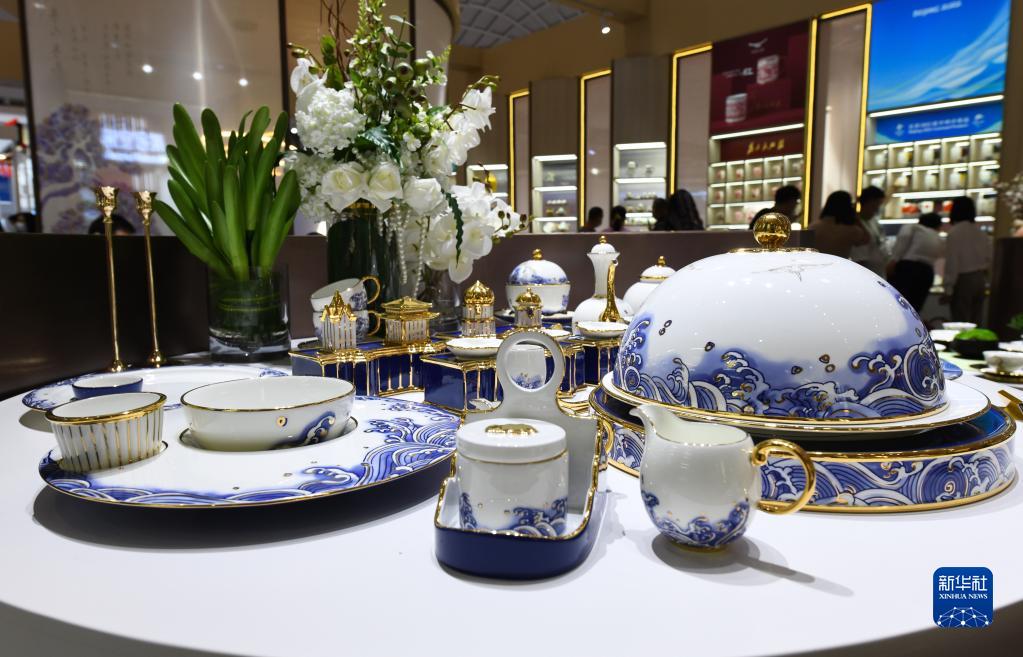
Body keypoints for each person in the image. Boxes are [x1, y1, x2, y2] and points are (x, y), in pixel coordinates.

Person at [942, 197, 991, 324]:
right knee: (976, 319)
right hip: (980, 279)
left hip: (963, 280)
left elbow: (952, 263)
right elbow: (989, 258)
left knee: (960, 321)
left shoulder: (954, 232)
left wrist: (948, 289)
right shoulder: (981, 233)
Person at [886, 212, 944, 312]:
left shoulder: (913, 227)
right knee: (915, 308)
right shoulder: (938, 238)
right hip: (927, 273)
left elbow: (901, 244)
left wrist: (893, 260)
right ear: (938, 226)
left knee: (898, 304)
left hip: (908, 269)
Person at [809, 191, 869, 258]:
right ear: (848, 207)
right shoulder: (852, 231)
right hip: (839, 264)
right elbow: (866, 239)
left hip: (817, 263)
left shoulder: (814, 226)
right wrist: (855, 217)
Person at [849, 185, 887, 275]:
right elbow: (859, 256)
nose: (877, 208)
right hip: (865, 272)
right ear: (868, 202)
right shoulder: (855, 223)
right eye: (876, 204)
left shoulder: (875, 222)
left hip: (878, 272)